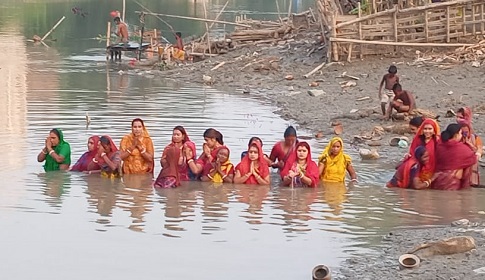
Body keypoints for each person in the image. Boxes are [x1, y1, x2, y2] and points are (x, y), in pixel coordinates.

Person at [431, 124, 477, 190]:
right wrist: (477, 151)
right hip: (451, 182)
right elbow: (473, 158)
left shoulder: (440, 144)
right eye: (461, 133)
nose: (461, 135)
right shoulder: (461, 148)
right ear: (456, 135)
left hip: (437, 179)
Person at [458, 119, 482, 187]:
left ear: (470, 131)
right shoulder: (456, 138)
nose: (464, 135)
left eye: (466, 132)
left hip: (471, 170)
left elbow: (479, 150)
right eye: (462, 133)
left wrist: (470, 145)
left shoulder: (475, 138)